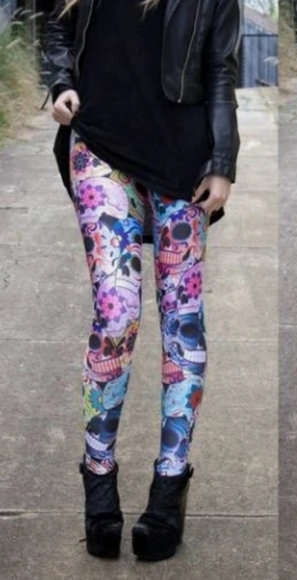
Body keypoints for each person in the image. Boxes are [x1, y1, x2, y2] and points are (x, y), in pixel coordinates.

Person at [42, 0, 240, 561]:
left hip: (183, 160)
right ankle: (98, 477)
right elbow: (57, 27)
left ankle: (169, 488)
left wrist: (223, 159)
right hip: (99, 146)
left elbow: (221, 68)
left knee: (182, 323)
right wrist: (60, 84)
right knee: (117, 312)